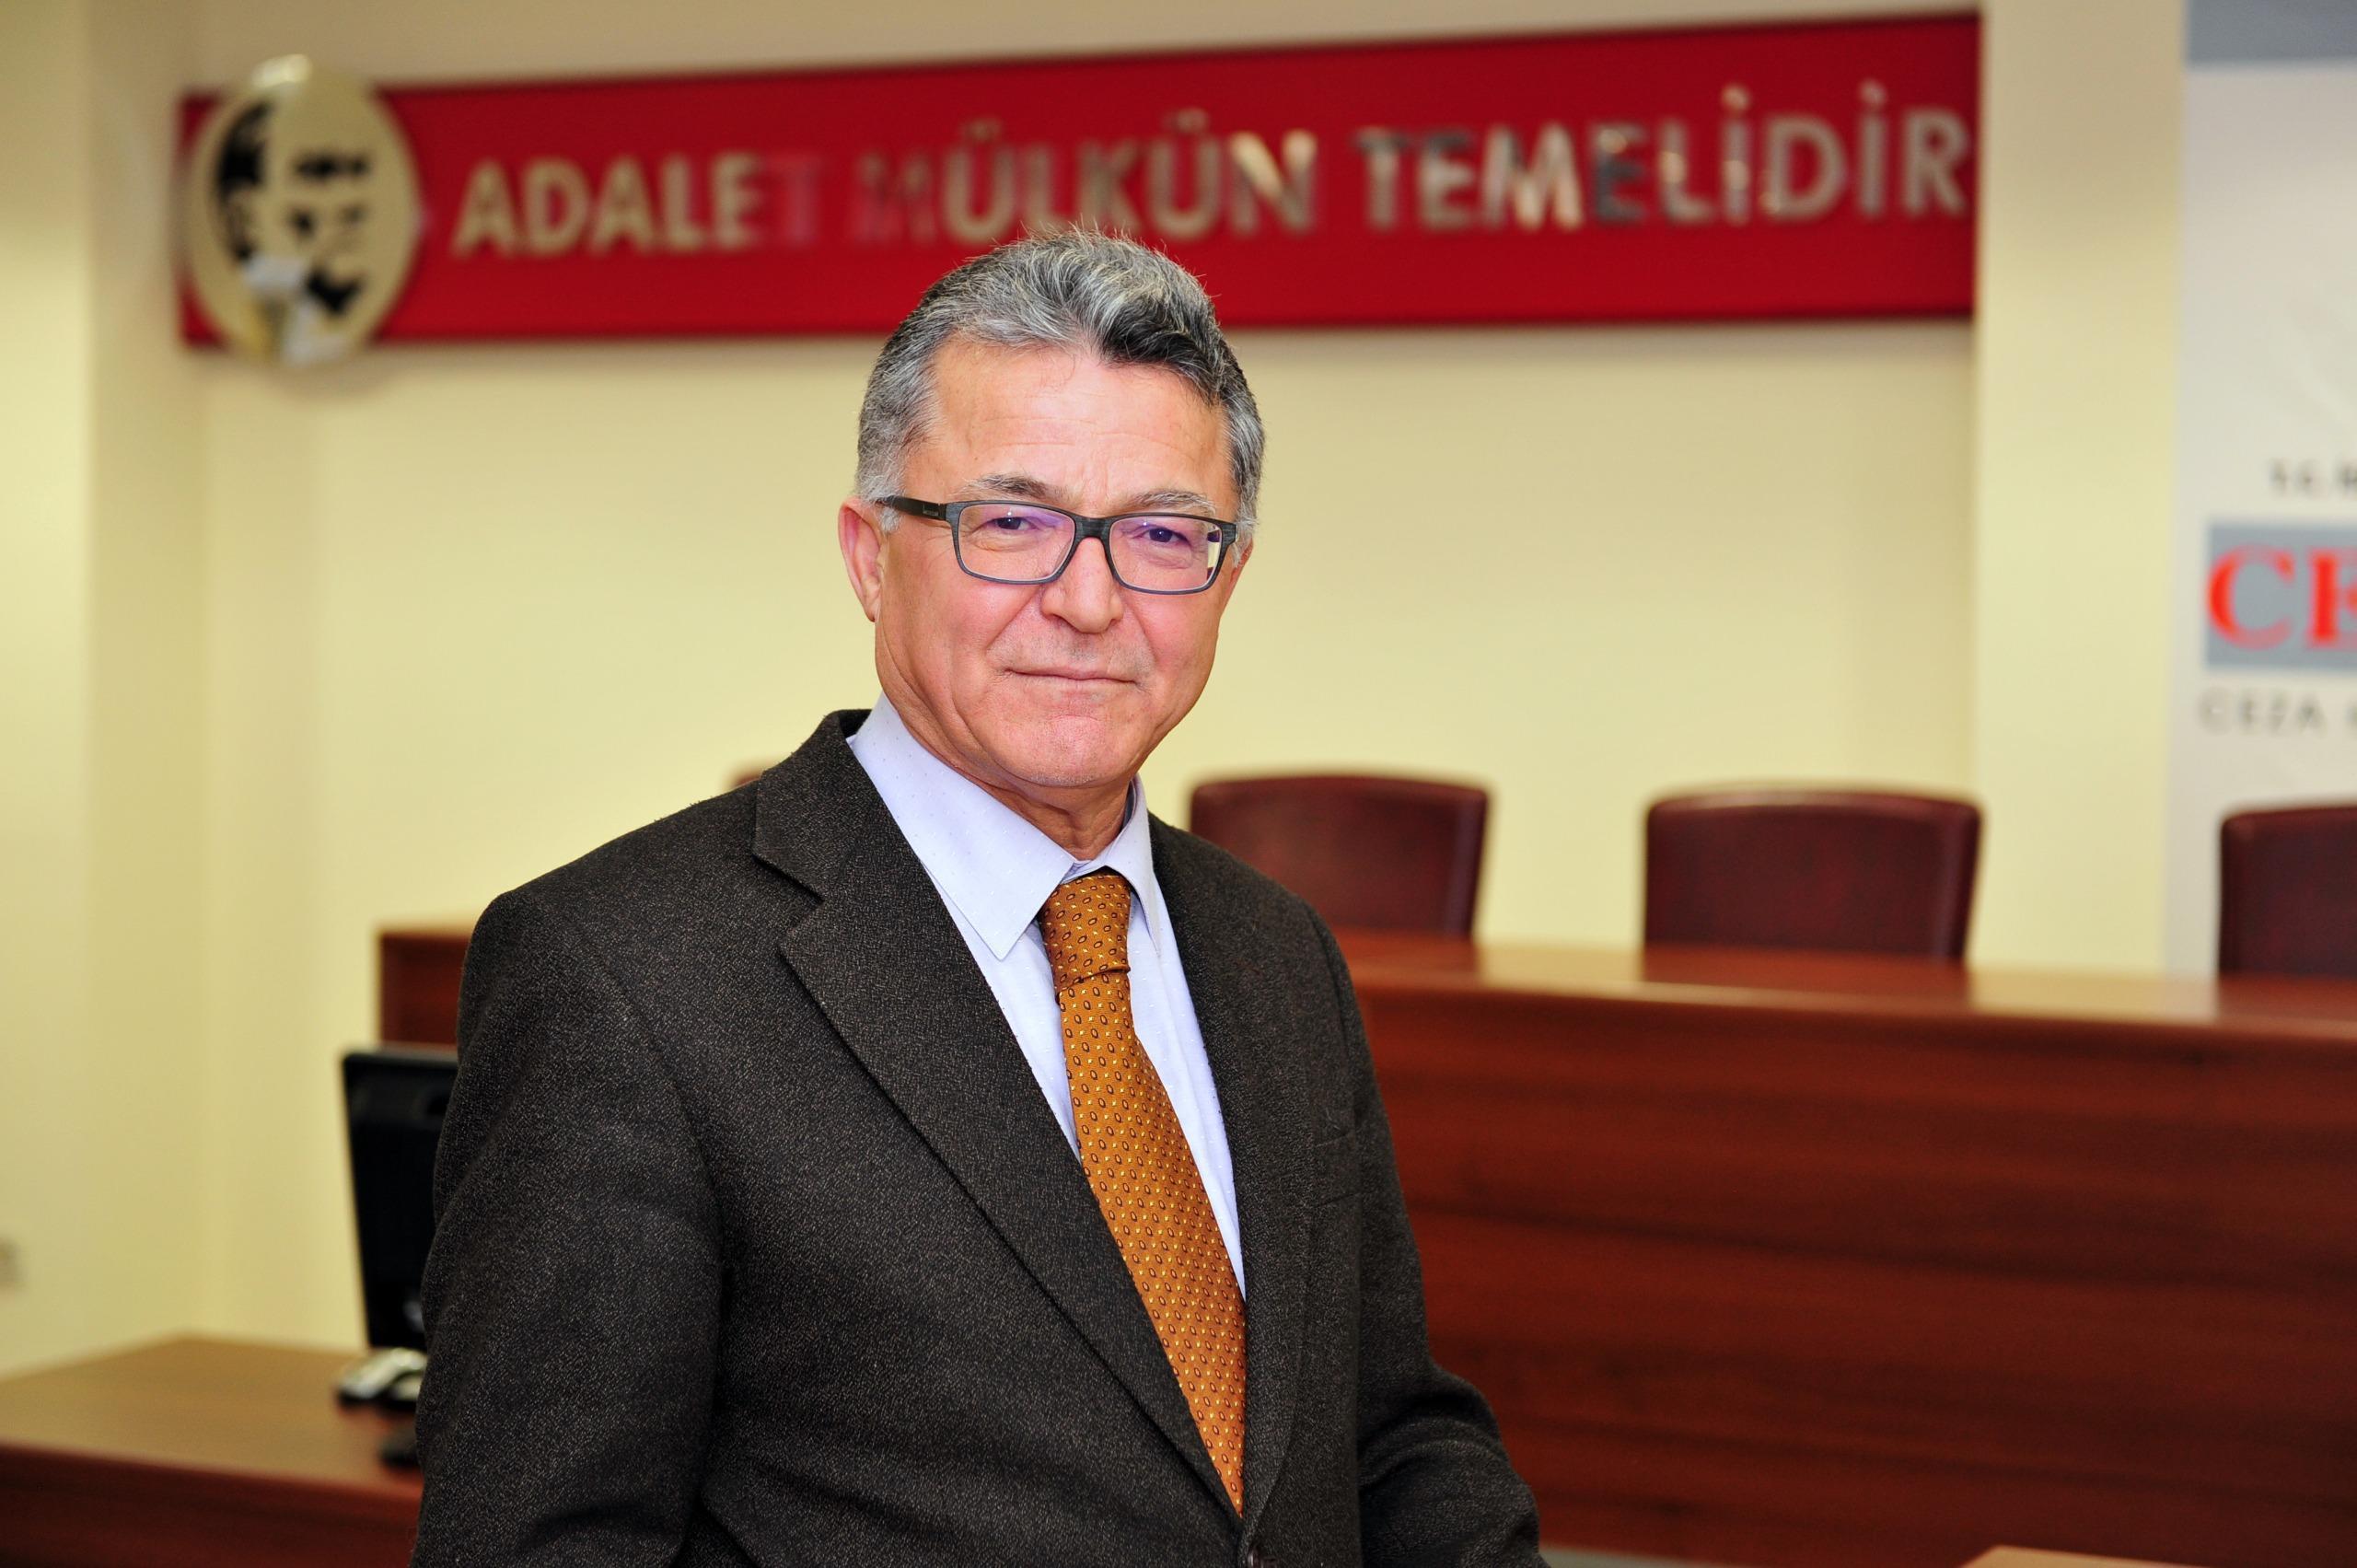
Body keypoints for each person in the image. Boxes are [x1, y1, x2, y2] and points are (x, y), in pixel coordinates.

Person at [412, 230, 1543, 1567]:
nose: (1088, 600)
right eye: (1011, 524)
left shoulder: (1274, 952)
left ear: (1228, 577)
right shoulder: (623, 977)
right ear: (869, 554)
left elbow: (1387, 1437)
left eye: (1162, 534)